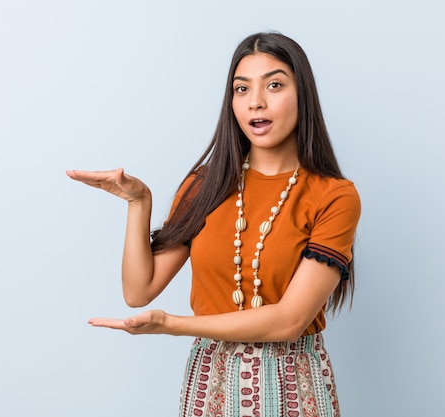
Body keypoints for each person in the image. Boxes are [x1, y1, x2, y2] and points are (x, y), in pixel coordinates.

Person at [66, 32, 360, 417]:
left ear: (302, 94)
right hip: (211, 383)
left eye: (274, 85)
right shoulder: (204, 186)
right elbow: (139, 291)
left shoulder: (334, 197)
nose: (256, 101)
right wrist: (139, 203)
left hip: (294, 387)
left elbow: (290, 321)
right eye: (242, 88)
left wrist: (173, 325)